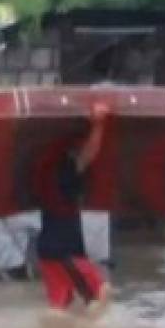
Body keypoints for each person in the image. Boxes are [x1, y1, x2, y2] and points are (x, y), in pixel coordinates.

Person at [35, 101, 113, 313]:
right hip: (65, 252)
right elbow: (89, 154)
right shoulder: (64, 169)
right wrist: (99, 125)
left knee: (60, 308)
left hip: (47, 250)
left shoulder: (43, 170)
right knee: (102, 292)